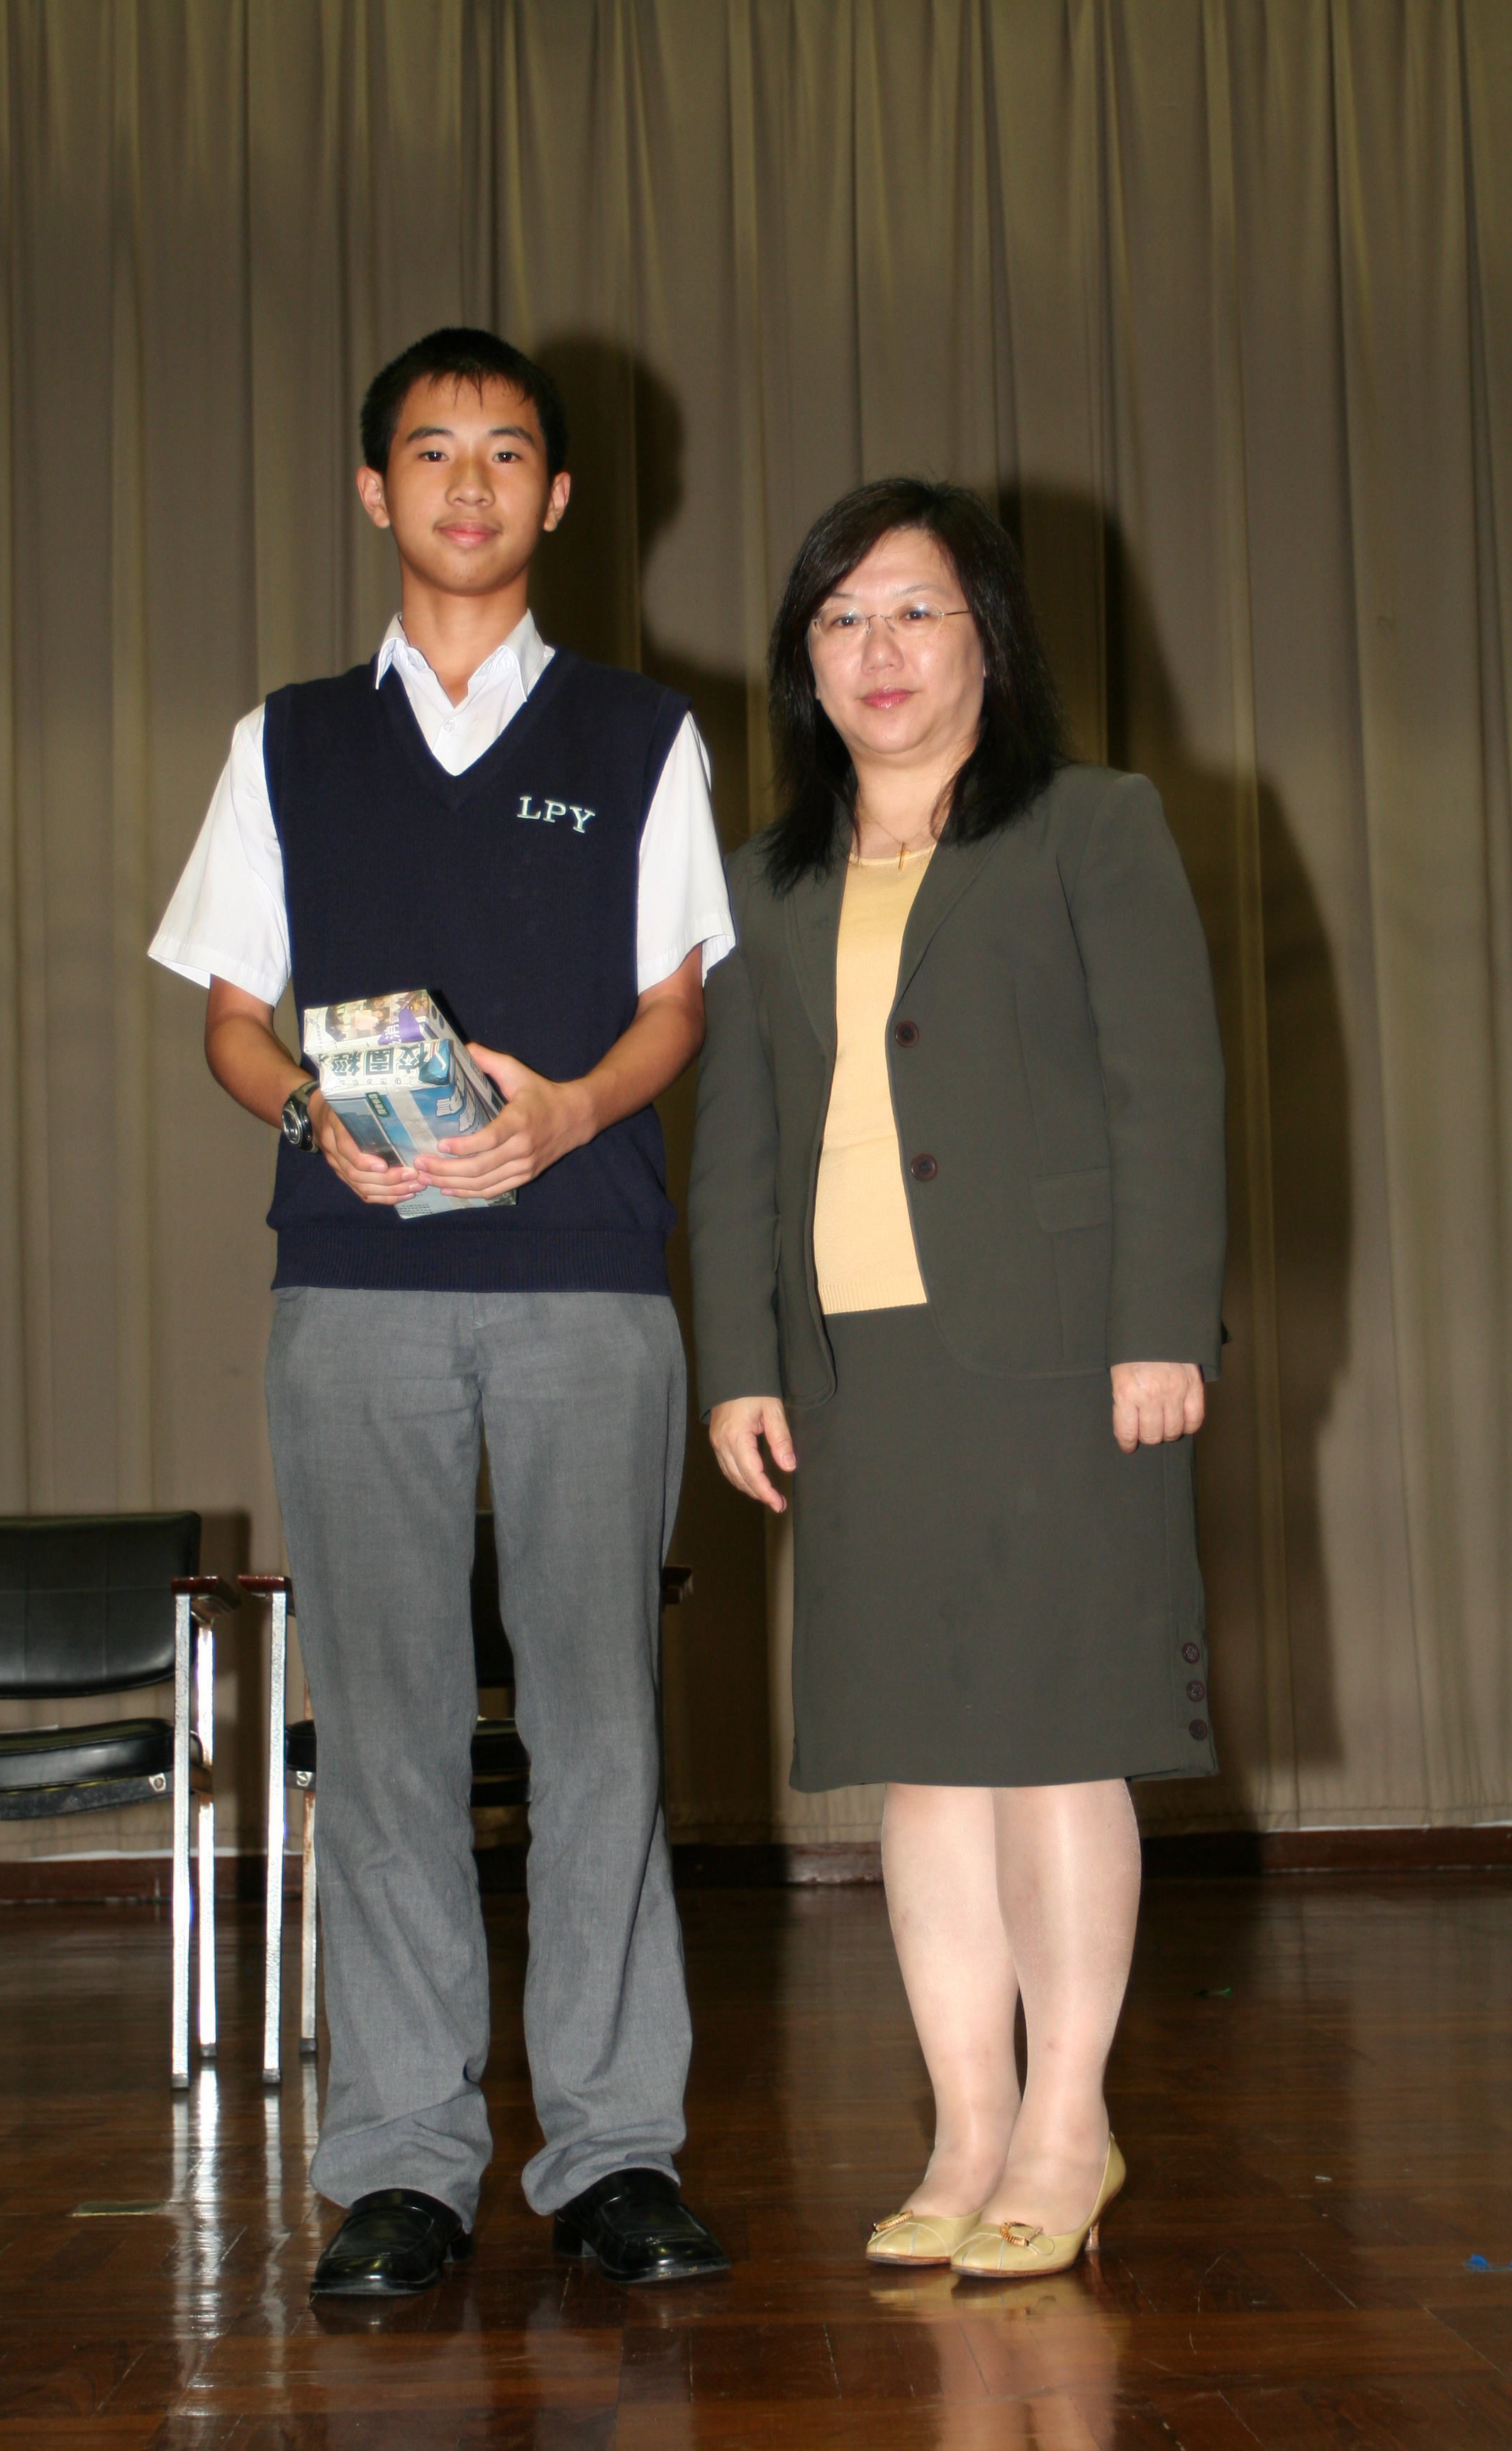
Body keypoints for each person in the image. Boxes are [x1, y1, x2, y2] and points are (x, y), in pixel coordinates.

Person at [150, 327, 734, 2295]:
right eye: (429, 451)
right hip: (358, 1281)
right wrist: (312, 1116)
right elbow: (232, 1020)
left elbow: (677, 1004)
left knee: (601, 1724)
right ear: (373, 491)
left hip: (587, 1278)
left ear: (556, 496)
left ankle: (615, 2152)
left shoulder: (644, 735)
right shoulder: (287, 742)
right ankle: (400, 2161)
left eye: (504, 453)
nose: (467, 484)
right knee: (385, 1726)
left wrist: (567, 1112)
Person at [688, 477, 1225, 2282]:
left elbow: (1169, 1089)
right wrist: (740, 1362)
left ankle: (1068, 2128)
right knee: (920, 1767)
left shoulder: (1092, 824)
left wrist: (1163, 1323)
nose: (879, 650)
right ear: (804, 660)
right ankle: (967, 2126)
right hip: (861, 1369)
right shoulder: (767, 878)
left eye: (915, 609)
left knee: (1056, 1747)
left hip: (1063, 1356)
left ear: (988, 634)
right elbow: (738, 1143)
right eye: (840, 618)